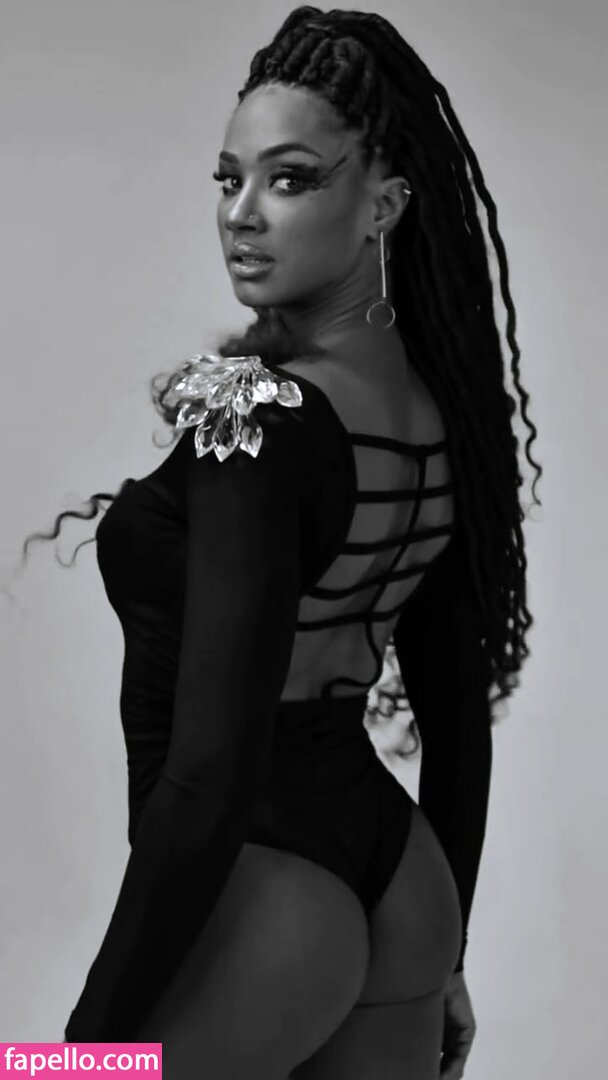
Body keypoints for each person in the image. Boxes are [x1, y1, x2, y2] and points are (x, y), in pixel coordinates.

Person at [18, 6, 541, 1078]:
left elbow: (210, 773)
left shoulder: (250, 414)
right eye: (229, 179)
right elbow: (456, 723)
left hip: (267, 892)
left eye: (291, 179)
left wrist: (86, 1045)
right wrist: (445, 953)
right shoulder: (440, 419)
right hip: (405, 882)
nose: (241, 215)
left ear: (383, 205)